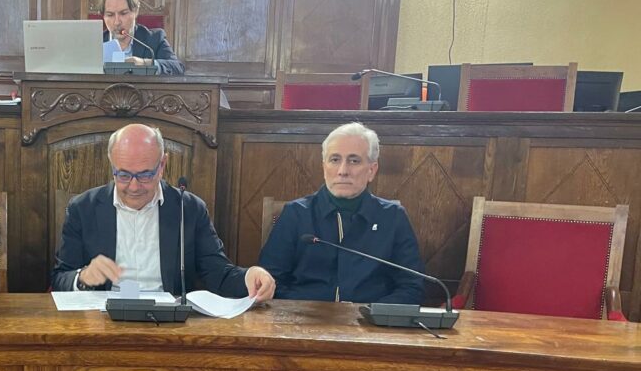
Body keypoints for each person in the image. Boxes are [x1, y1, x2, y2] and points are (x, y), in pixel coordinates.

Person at [52, 123, 274, 300]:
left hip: (168, 322)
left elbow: (217, 273)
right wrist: (83, 278)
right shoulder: (83, 208)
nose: (134, 186)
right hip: (103, 320)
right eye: (124, 175)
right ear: (112, 166)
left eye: (145, 175)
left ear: (162, 165)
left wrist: (250, 276)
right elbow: (60, 278)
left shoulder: (189, 209)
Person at [259, 122, 425, 304]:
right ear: (324, 168)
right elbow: (269, 280)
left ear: (372, 170)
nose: (343, 171)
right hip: (305, 317)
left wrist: (372, 313)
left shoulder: (392, 217)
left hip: (371, 319)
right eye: (335, 160)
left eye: (354, 161)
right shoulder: (296, 214)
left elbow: (411, 286)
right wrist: (303, 311)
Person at [98, 0, 185, 76]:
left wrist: (145, 63)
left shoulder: (154, 39)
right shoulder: (95, 44)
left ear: (135, 11)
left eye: (123, 13)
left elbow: (178, 68)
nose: (117, 22)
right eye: (110, 15)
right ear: (103, 16)